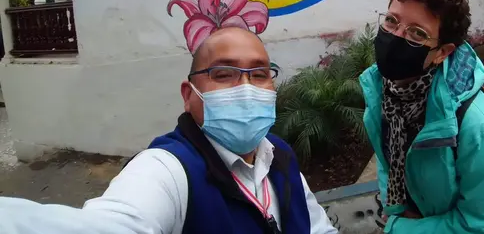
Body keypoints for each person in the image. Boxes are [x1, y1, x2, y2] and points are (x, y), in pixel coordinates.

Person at [0, 27, 337, 234]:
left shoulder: (279, 155)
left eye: (260, 74)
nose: (246, 88)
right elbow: (114, 225)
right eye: (223, 74)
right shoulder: (168, 171)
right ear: (189, 96)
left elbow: (317, 228)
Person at [360, 0, 484, 233]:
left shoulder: (478, 124)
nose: (396, 36)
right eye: (392, 20)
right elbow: (387, 160)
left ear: (442, 53)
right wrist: (397, 210)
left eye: (417, 33)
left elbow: (483, 223)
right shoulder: (384, 93)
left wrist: (400, 229)